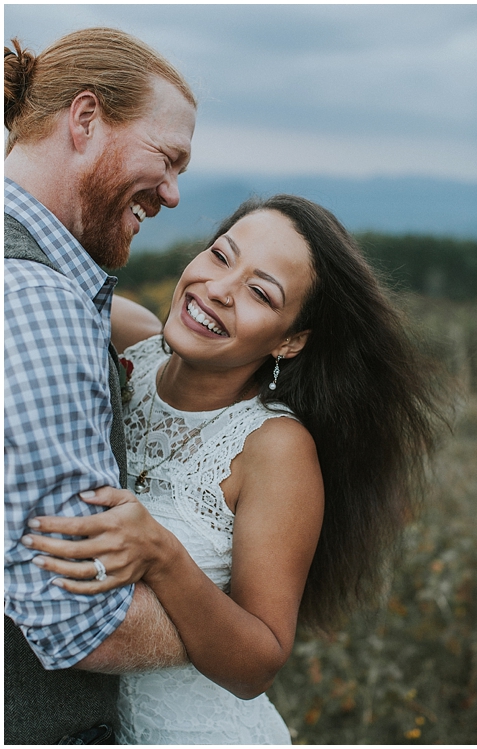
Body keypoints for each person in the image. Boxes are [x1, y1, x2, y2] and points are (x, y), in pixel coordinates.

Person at [22, 194, 444, 743]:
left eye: (260, 293)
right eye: (221, 257)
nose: (219, 290)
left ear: (291, 341)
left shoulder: (275, 448)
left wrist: (163, 555)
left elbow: (259, 661)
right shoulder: (127, 343)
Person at [4, 28, 197, 743]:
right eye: (167, 157)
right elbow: (81, 623)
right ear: (84, 120)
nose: (173, 193)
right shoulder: (38, 305)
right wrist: (250, 621)